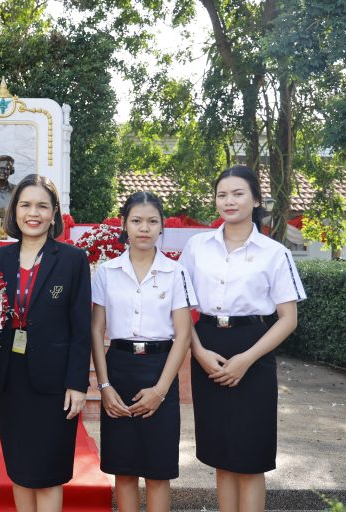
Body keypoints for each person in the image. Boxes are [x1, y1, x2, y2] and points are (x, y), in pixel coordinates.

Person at [179, 165, 306, 512]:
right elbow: (180, 308)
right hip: (207, 345)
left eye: (238, 194)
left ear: (256, 200)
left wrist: (247, 359)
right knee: (221, 455)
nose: (229, 201)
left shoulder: (274, 252)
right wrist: (199, 353)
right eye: (222, 195)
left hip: (254, 348)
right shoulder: (197, 247)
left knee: (251, 458)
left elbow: (288, 319)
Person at [0, 174, 92, 512]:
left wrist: (77, 383)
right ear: (14, 211)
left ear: (54, 213)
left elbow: (81, 328)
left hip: (54, 382)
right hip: (9, 379)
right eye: (25, 205)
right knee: (20, 469)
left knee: (49, 473)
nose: (33, 213)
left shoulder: (72, 260)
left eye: (42, 206)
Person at [90, 191, 196, 512]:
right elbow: (96, 330)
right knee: (123, 471)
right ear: (124, 224)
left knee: (158, 472)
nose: (144, 228)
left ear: (162, 226)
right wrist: (104, 387)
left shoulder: (175, 272)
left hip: (160, 369)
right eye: (136, 221)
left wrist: (161, 391)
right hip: (118, 369)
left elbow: (183, 335)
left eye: (152, 221)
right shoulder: (107, 272)